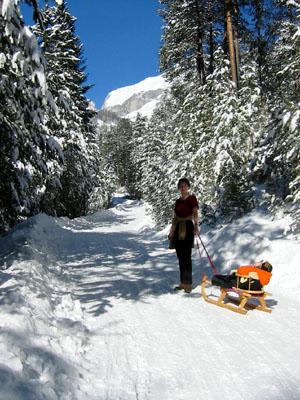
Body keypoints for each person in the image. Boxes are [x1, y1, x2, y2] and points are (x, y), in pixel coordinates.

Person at [168, 178, 199, 293]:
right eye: (181, 186)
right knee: (180, 257)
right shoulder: (178, 201)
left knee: (187, 256)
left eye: (185, 185)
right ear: (179, 188)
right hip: (178, 230)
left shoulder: (192, 198)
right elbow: (175, 218)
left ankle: (188, 283)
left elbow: (195, 212)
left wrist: (196, 225)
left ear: (188, 187)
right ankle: (182, 283)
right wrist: (171, 231)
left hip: (188, 227)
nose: (183, 188)